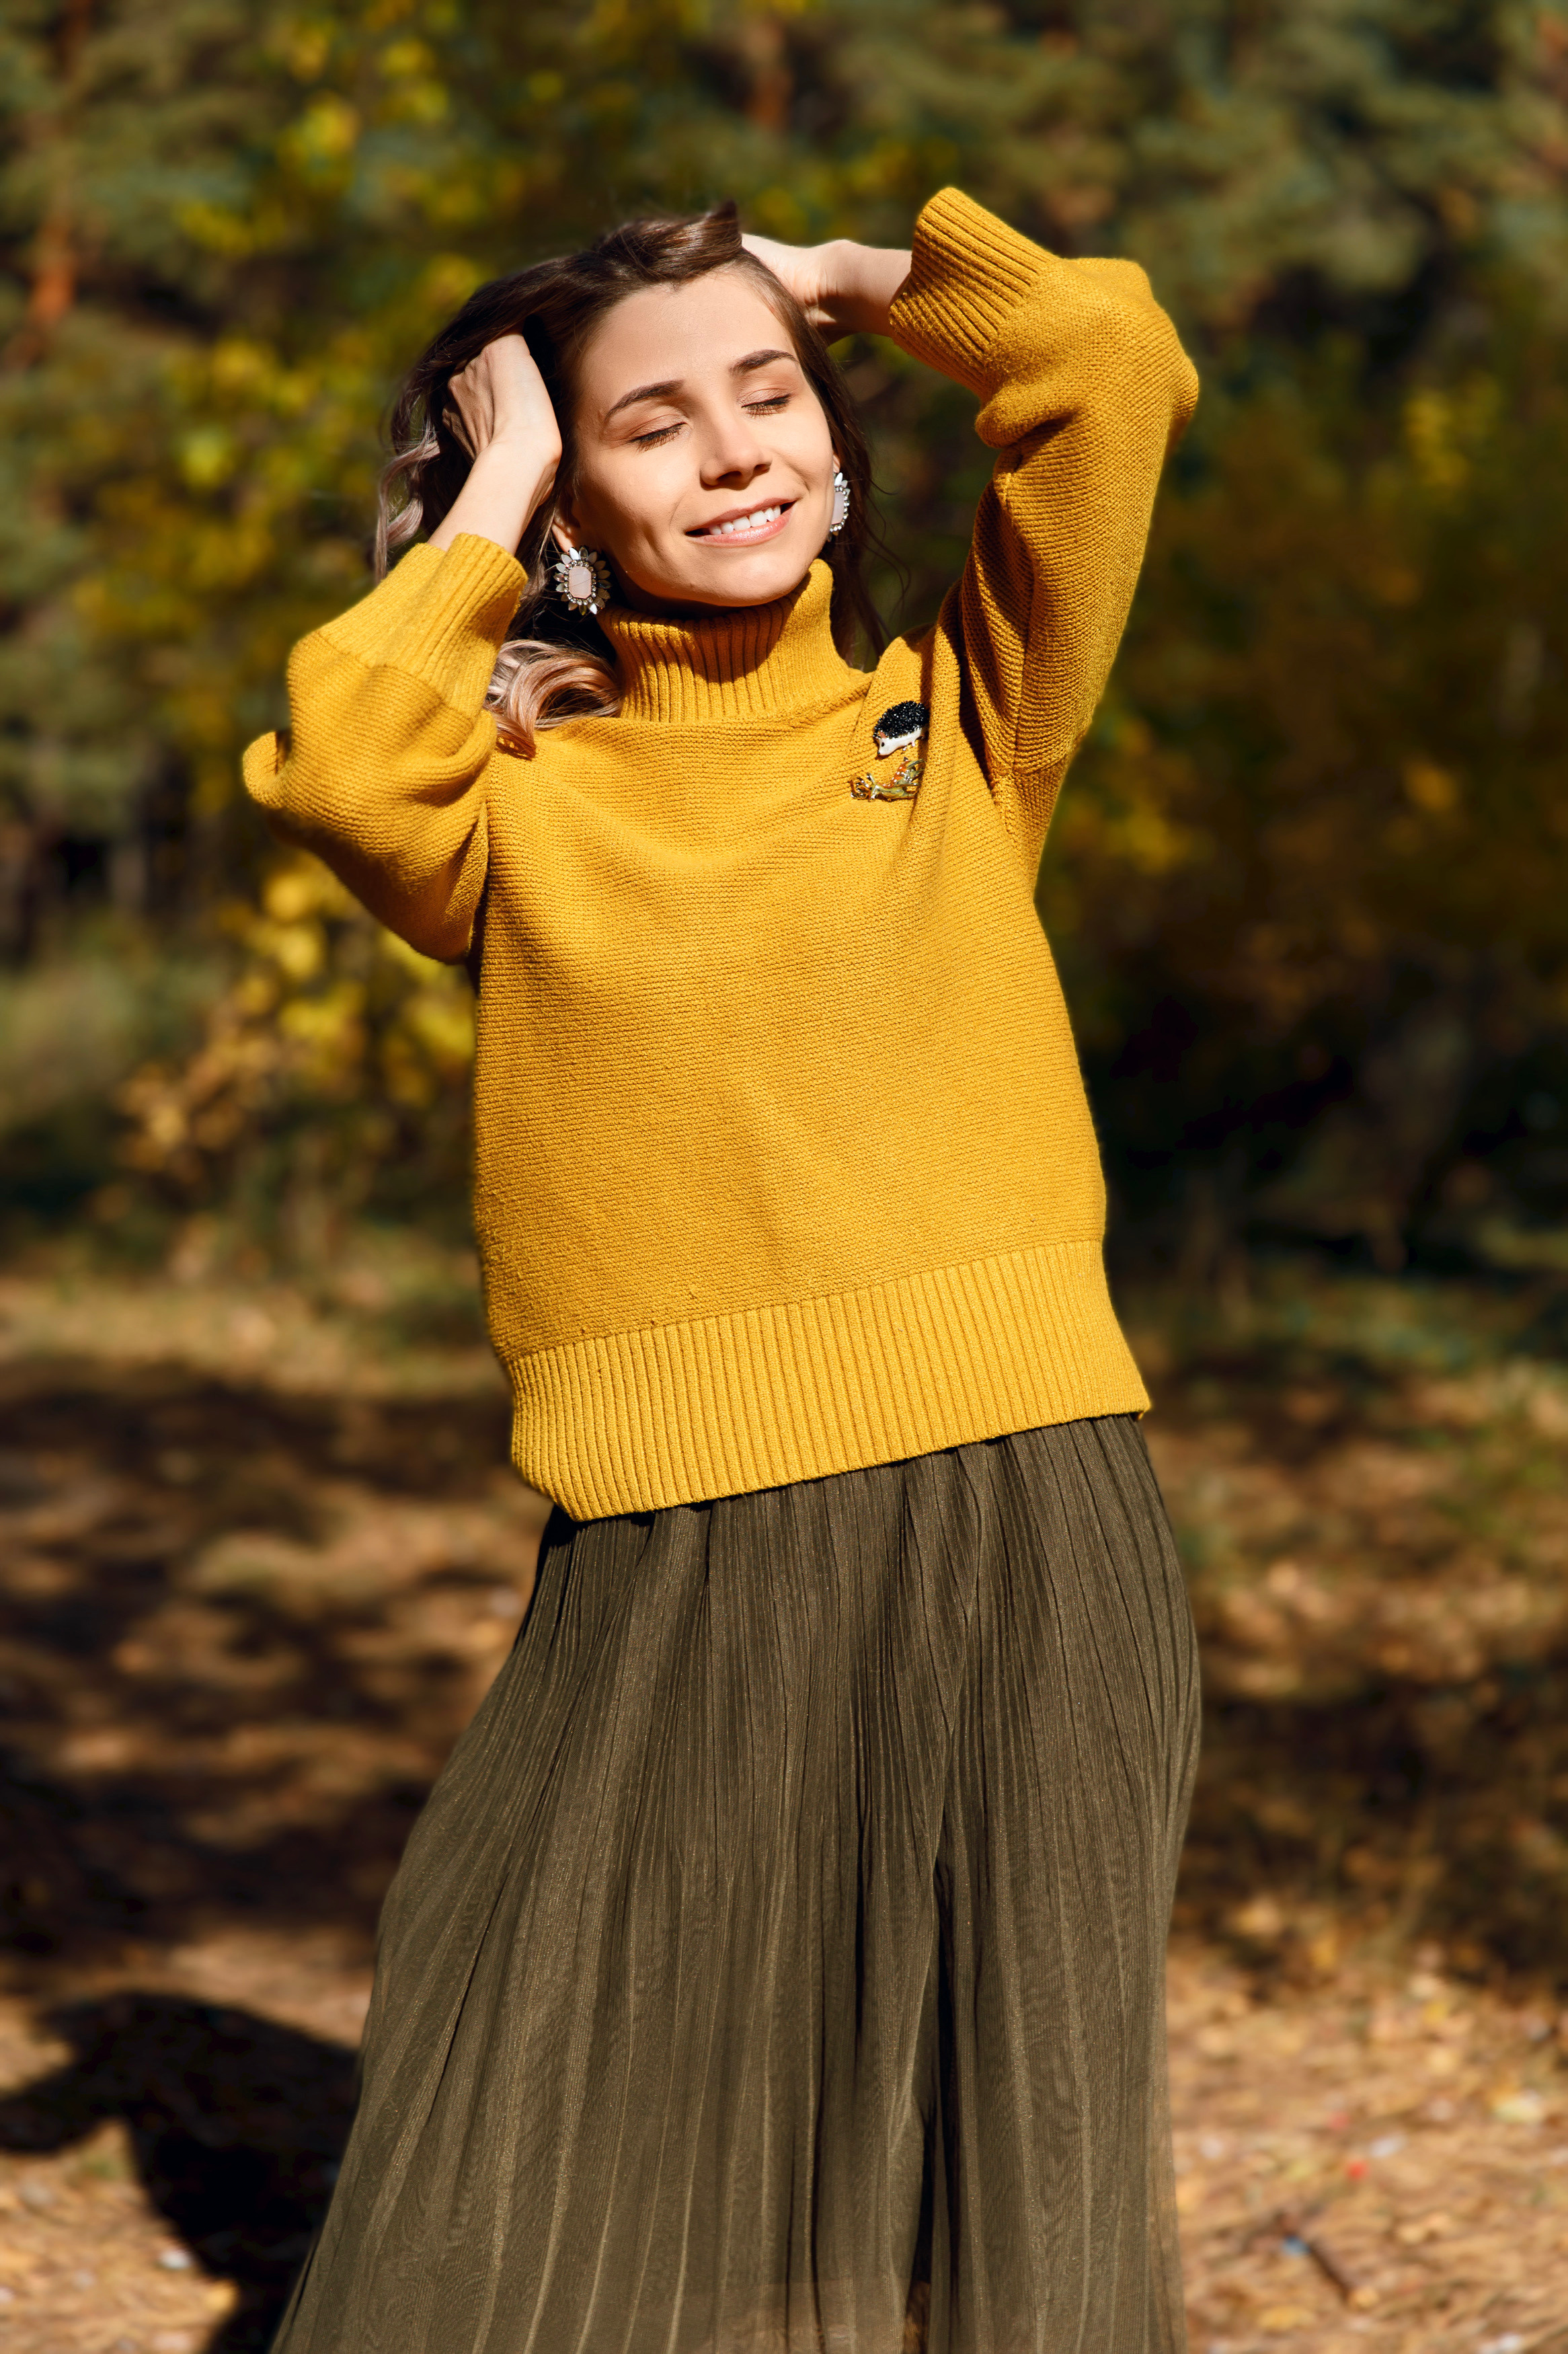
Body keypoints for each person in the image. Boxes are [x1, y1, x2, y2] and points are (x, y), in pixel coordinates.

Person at [243, 186, 1202, 2354]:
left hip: (1025, 1492)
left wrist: (854, 275)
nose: (739, 449)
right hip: (672, 1518)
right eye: (653, 424)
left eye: (768, 399)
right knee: (526, 2046)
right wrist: (484, 491)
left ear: (839, 434)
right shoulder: (518, 793)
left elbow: (1107, 362)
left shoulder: (959, 714)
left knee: (994, 2133)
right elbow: (335, 762)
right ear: (573, 497)